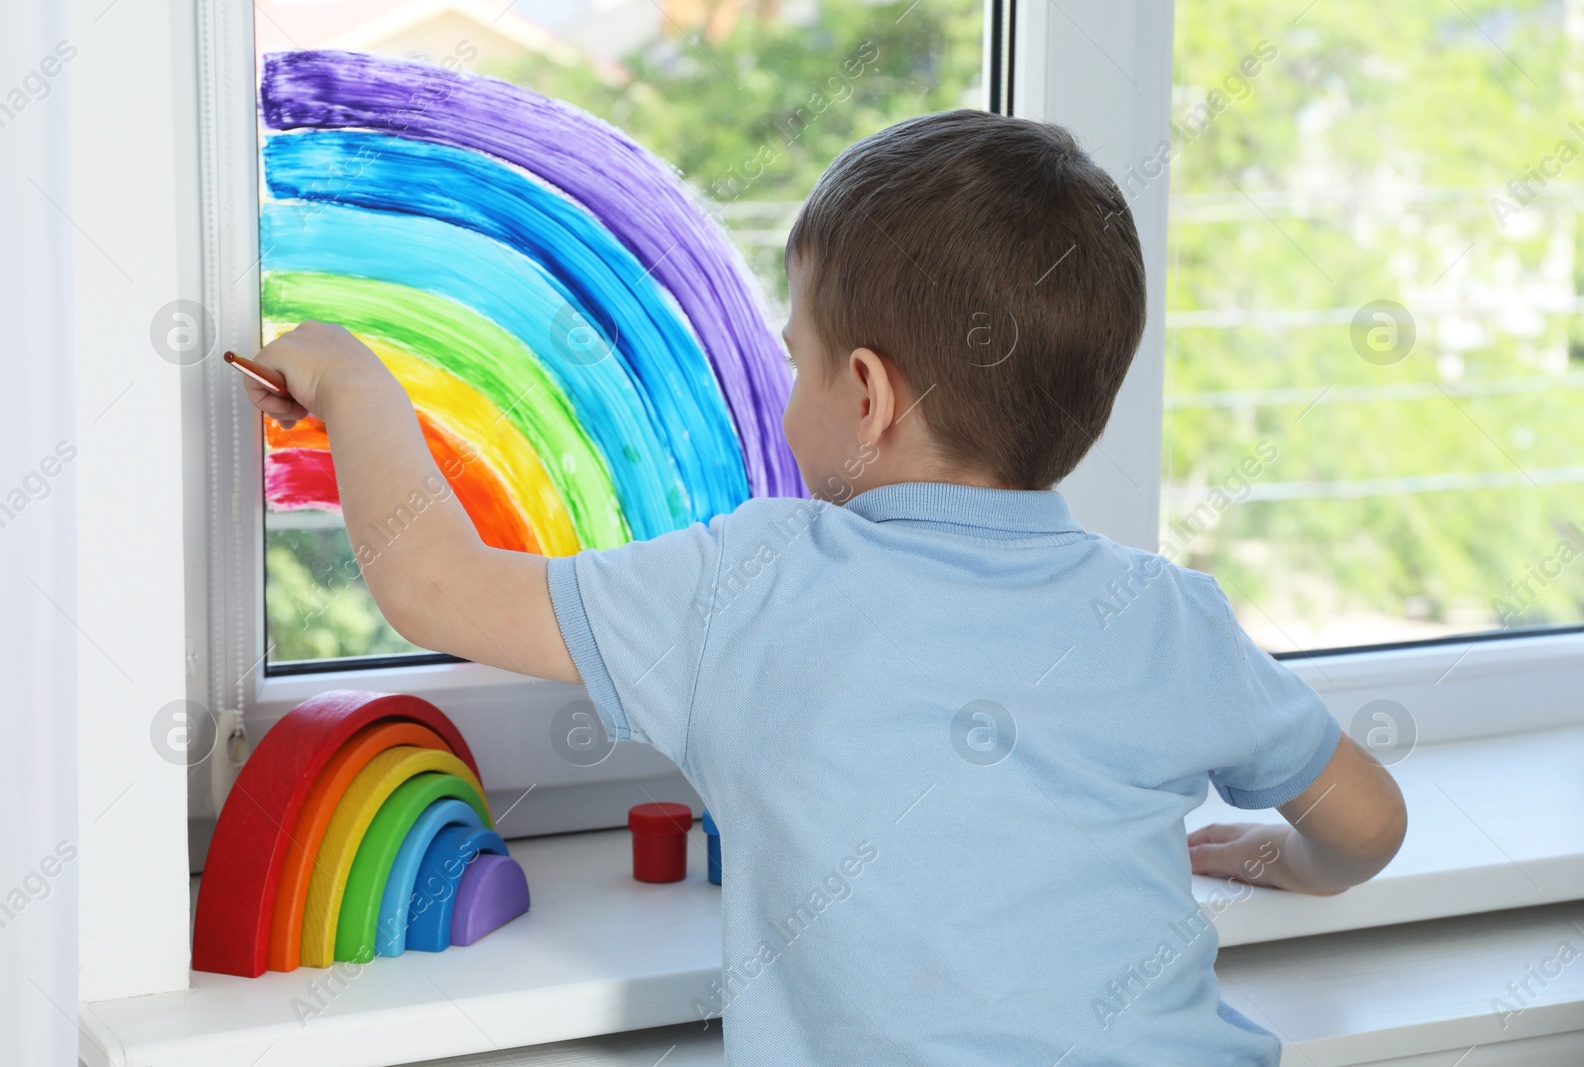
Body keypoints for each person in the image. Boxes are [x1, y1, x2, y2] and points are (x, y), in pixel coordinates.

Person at [240, 109, 1407, 1066]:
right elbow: (1368, 823)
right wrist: (1274, 856)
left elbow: (436, 587)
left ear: (866, 393)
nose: (781, 386)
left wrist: (347, 376)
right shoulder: (1163, 612)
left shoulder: (755, 577)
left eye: (793, 354)